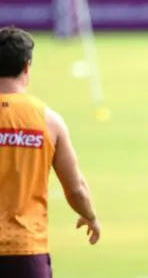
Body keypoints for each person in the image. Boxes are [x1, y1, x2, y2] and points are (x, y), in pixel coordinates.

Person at [0, 27, 100, 278]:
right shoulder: (48, 120)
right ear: (27, 67)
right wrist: (89, 216)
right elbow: (75, 188)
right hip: (25, 247)